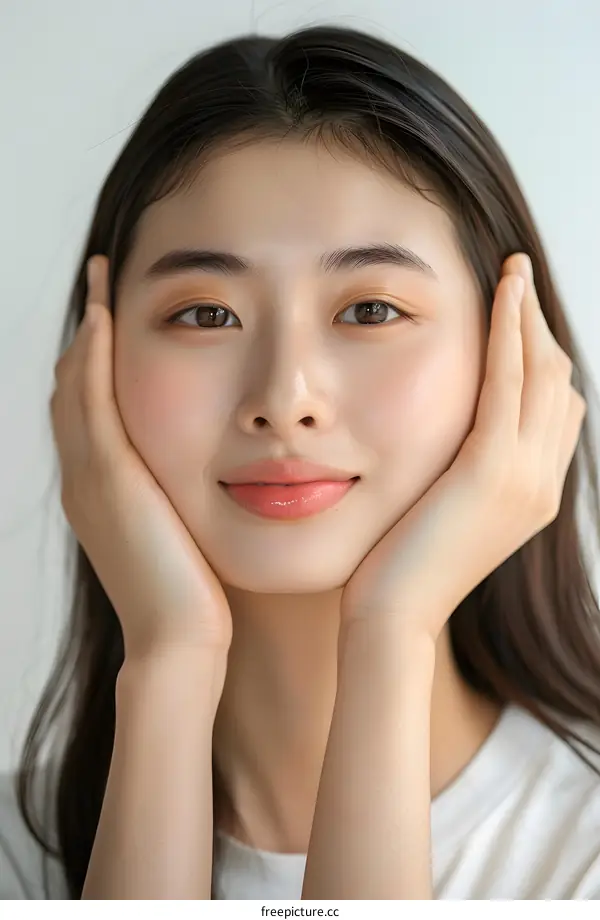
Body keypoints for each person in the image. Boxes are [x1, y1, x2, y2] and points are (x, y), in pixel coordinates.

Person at [1, 23, 599, 900]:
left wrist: (391, 635)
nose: (285, 397)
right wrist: (168, 663)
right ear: (93, 361)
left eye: (369, 310)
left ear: (516, 357)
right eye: (206, 315)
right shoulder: (21, 858)